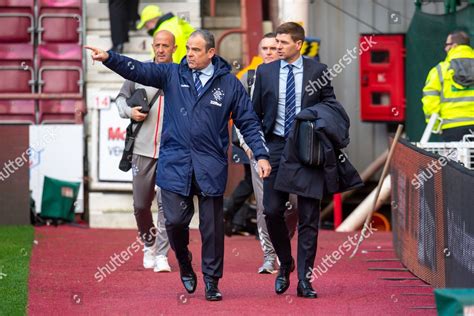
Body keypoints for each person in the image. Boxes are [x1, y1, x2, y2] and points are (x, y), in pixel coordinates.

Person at [85, 29, 271, 302]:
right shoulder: (172, 73)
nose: (189, 54)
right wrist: (109, 58)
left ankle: (211, 280)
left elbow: (249, 122)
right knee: (173, 222)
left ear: (211, 53)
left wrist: (261, 154)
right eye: (187, 48)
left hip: (210, 166)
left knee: (212, 230)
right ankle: (184, 262)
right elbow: (138, 70)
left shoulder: (230, 84)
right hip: (175, 163)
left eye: (196, 50)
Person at [252, 22, 361, 298]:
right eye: (275, 43)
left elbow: (331, 106)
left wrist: (312, 119)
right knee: (272, 211)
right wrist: (259, 151)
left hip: (307, 148)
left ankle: (305, 280)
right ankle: (285, 263)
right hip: (276, 147)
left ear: (298, 45)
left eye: (283, 43)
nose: (277, 47)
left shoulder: (317, 71)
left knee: (309, 217)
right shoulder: (264, 72)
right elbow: (254, 115)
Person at [232, 32, 298, 274]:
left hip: (291, 152)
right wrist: (249, 146)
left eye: (274, 47)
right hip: (259, 151)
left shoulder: (292, 76)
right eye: (266, 48)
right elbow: (240, 116)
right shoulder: (248, 78)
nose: (270, 52)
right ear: (259, 52)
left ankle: (282, 246)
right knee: (265, 206)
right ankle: (270, 256)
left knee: (293, 203)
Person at [115, 30, 176, 272]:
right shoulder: (139, 71)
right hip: (141, 148)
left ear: (174, 48)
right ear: (152, 46)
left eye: (166, 45)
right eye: (157, 45)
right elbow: (120, 99)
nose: (161, 49)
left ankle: (161, 254)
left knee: (166, 204)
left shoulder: (181, 73)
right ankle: (148, 243)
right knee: (141, 205)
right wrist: (129, 112)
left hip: (172, 151)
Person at [422, 30, 474, 141]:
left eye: (447, 45)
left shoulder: (439, 70)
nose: (445, 49)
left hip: (451, 128)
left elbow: (430, 102)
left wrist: (436, 126)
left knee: (452, 159)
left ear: (454, 46)